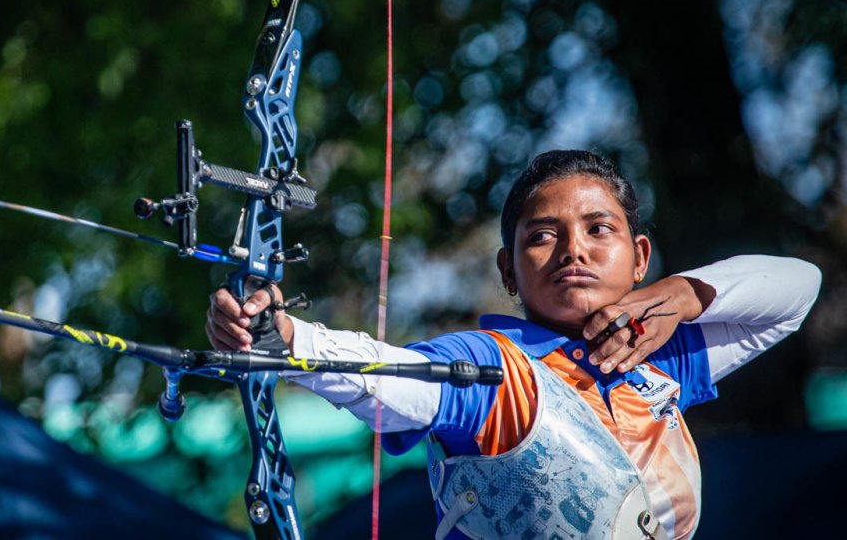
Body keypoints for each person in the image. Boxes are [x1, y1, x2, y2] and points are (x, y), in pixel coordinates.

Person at [206, 150, 820, 540]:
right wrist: (285, 337)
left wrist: (686, 293)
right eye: (543, 236)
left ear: (639, 258)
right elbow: (392, 377)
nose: (573, 250)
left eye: (598, 229)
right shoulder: (495, 369)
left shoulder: (659, 358)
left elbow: (798, 291)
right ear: (508, 271)